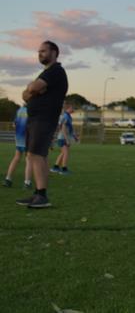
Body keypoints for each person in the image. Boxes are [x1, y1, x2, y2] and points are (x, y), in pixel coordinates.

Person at [15, 41, 68, 208]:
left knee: (36, 155)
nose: (40, 54)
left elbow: (33, 88)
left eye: (43, 51)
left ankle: (42, 196)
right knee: (34, 155)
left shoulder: (55, 71)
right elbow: (26, 94)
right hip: (35, 119)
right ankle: (38, 193)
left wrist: (33, 89)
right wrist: (32, 89)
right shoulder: (45, 73)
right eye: (39, 51)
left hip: (44, 119)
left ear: (54, 52)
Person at [3, 104, 32, 189]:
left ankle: (8, 179)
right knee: (29, 159)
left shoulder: (20, 110)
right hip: (27, 137)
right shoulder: (32, 109)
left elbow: (14, 124)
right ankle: (27, 182)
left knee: (16, 158)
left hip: (19, 137)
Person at [50, 103, 77, 175]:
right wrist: (67, 139)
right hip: (63, 138)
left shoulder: (68, 116)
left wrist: (74, 136)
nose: (73, 109)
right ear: (68, 108)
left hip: (63, 137)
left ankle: (55, 167)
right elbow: (63, 128)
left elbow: (69, 128)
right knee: (66, 153)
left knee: (63, 153)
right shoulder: (65, 116)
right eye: (72, 108)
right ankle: (64, 169)